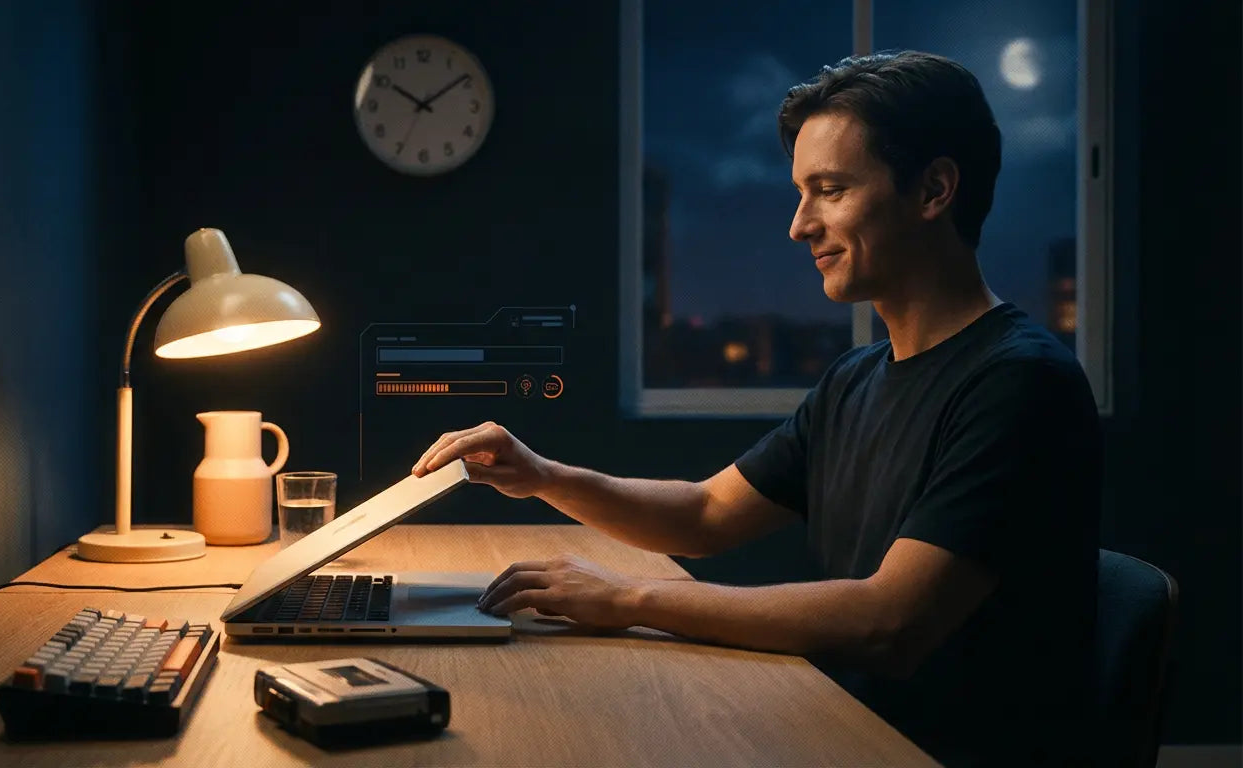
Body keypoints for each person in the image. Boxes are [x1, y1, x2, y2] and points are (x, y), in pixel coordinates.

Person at [411, 50, 1101, 768]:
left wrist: (627, 599)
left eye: (830, 190)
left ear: (934, 190)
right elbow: (706, 514)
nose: (800, 225)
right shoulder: (856, 378)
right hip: (836, 727)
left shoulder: (1019, 383)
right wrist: (542, 475)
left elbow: (889, 623)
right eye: (801, 193)